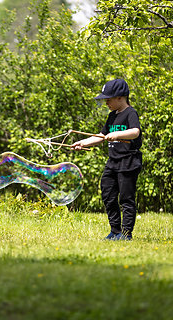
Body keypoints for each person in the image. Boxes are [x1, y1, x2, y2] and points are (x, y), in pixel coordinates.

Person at [71, 79, 142, 240]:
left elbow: (135, 132)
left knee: (126, 198)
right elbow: (102, 136)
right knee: (108, 194)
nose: (106, 102)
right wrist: (82, 143)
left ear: (120, 97)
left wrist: (117, 135)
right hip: (113, 162)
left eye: (108, 99)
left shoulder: (131, 113)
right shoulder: (111, 116)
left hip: (128, 161)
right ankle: (115, 231)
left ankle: (126, 234)